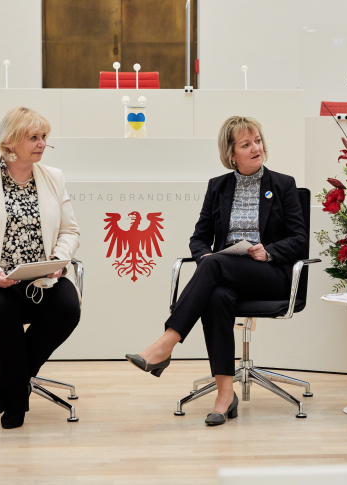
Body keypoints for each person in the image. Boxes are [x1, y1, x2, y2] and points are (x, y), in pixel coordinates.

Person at [126, 116, 306, 426]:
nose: (255, 148)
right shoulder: (218, 187)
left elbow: (299, 239)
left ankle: (166, 344)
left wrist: (269, 251)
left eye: (258, 141)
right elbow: (199, 238)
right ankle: (225, 395)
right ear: (231, 154)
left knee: (212, 265)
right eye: (246, 144)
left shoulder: (283, 184)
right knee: (217, 294)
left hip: (270, 275)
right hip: (227, 274)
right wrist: (207, 255)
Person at [0, 107, 81, 429]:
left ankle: (9, 386)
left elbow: (70, 230)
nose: (41, 143)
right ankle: (16, 401)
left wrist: (59, 263)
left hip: (41, 278)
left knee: (67, 309)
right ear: (9, 142)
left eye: (44, 137)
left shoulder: (54, 178)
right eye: (33, 137)